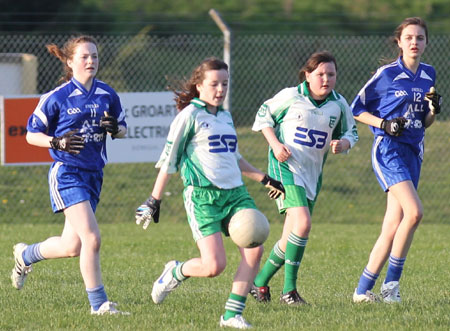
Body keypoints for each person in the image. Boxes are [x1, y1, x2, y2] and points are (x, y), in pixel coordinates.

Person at [134, 57, 285, 329]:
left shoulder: (225, 116)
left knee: (254, 250)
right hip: (203, 198)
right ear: (199, 86)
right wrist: (153, 200)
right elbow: (168, 161)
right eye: (214, 84)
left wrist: (264, 178)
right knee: (214, 267)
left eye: (224, 83)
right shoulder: (189, 116)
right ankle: (175, 271)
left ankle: (231, 315)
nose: (220, 89)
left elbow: (235, 158)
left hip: (236, 194)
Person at [11, 35, 129, 315]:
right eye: (85, 56)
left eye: (95, 56)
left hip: (93, 175)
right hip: (67, 173)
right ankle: (99, 305)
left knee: (71, 246)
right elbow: (31, 135)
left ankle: (25, 255)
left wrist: (115, 128)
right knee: (92, 239)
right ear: (69, 61)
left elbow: (123, 130)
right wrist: (56, 142)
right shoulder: (57, 97)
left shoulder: (107, 94)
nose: (91, 61)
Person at [250, 51, 359, 305]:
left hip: (312, 175)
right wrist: (276, 145)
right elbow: (263, 116)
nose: (326, 79)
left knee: (291, 235)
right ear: (308, 75)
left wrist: (344, 143)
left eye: (331, 74)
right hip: (285, 169)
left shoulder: (339, 104)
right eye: (320, 74)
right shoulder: (292, 96)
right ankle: (289, 291)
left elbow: (352, 133)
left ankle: (259, 283)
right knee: (304, 224)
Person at [350, 17, 442, 303]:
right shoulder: (386, 74)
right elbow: (356, 109)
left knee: (392, 225)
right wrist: (384, 124)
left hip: (413, 151)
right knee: (414, 213)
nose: (415, 42)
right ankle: (391, 288)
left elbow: (425, 122)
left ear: (426, 43)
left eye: (420, 38)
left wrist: (433, 111)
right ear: (399, 42)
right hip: (388, 149)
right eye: (409, 37)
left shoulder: (429, 74)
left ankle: (362, 291)